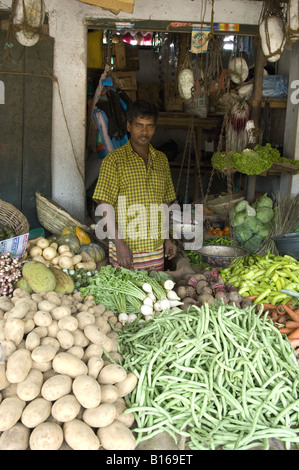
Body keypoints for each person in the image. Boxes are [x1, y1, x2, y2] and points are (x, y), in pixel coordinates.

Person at [93, 99, 177, 271]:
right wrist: (119, 244)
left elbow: (165, 204)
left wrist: (167, 238)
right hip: (126, 250)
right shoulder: (114, 160)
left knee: (154, 295)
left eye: (149, 126)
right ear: (129, 126)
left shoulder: (161, 160)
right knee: (127, 295)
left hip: (155, 250)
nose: (144, 132)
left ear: (154, 128)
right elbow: (104, 204)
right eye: (139, 125)